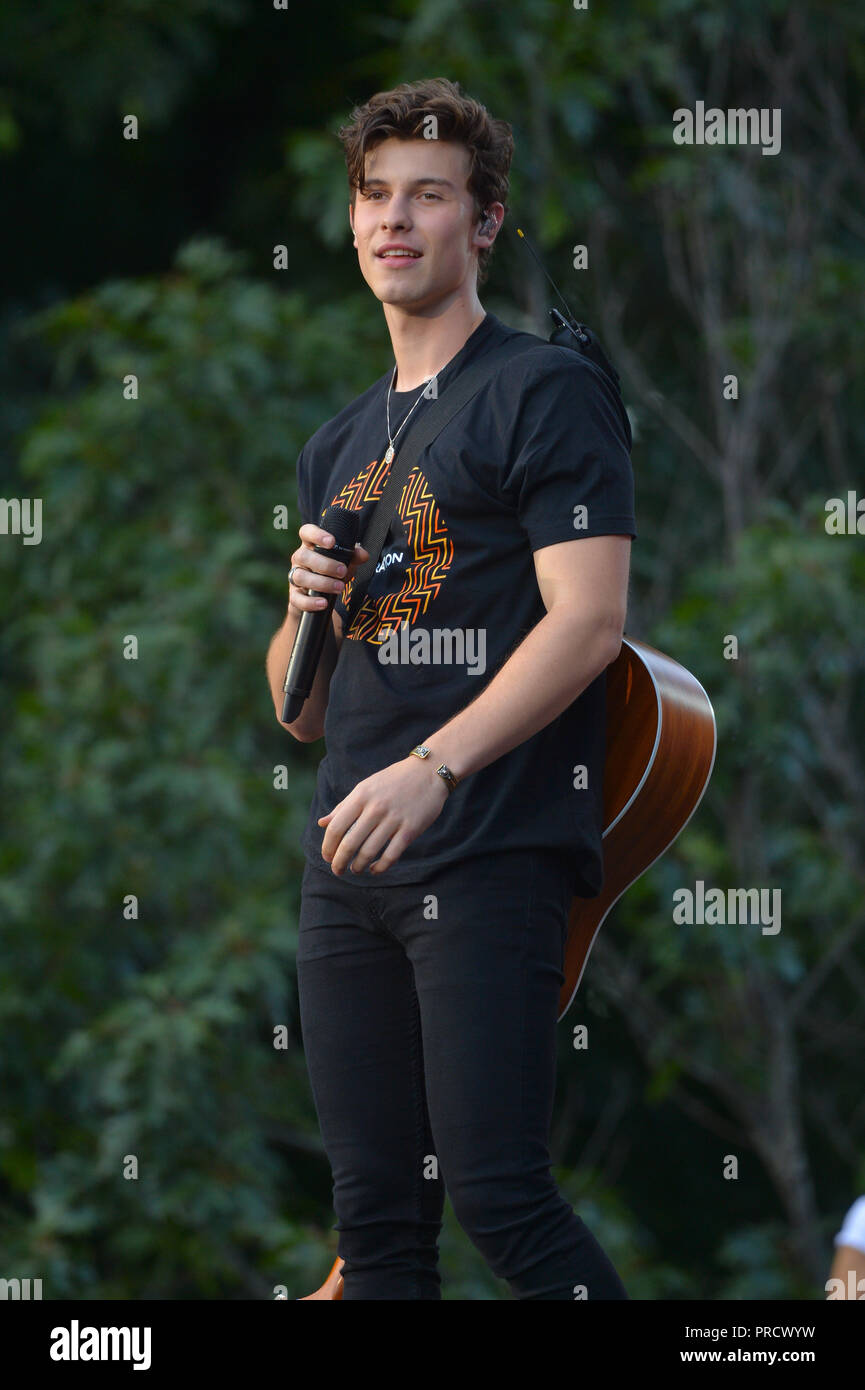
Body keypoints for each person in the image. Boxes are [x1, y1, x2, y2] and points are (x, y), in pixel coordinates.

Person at [266, 76, 636, 1300]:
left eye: (428, 196)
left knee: (500, 1199)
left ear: (483, 224)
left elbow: (588, 623)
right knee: (374, 1233)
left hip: (485, 843)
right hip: (348, 862)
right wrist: (302, 606)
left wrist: (433, 769)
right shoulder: (336, 443)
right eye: (375, 194)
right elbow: (299, 713)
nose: (394, 219)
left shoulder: (541, 390)